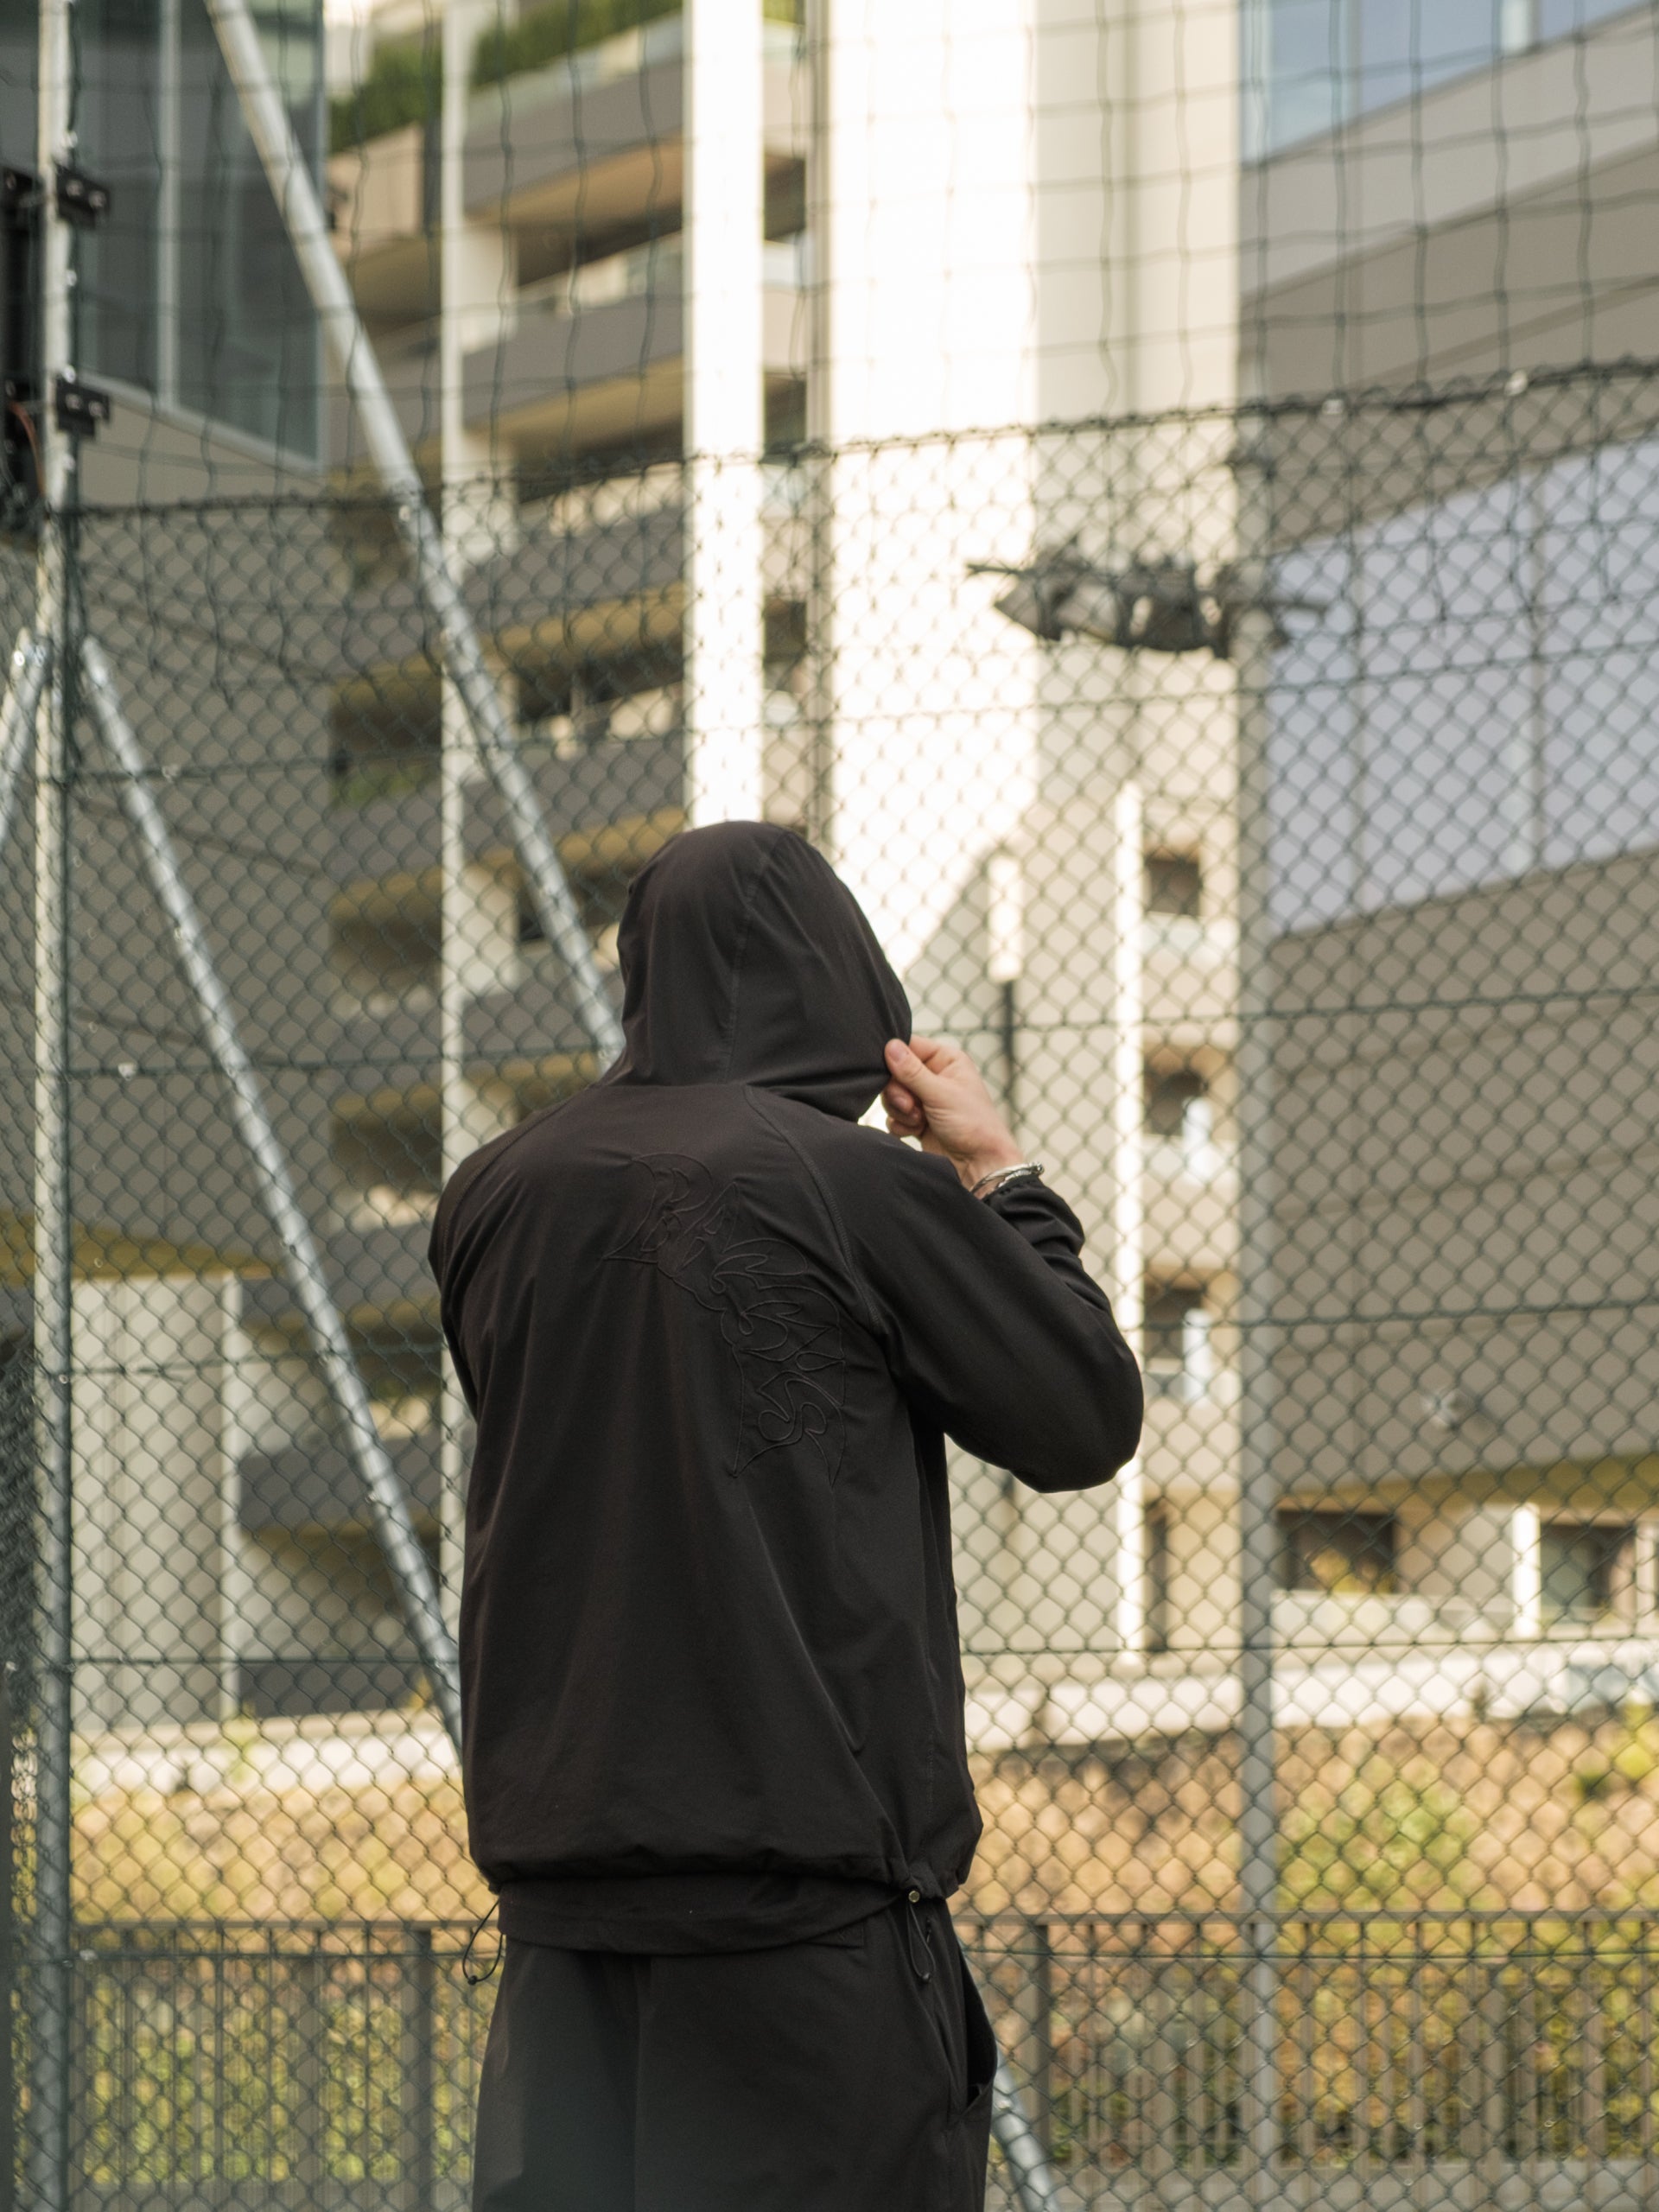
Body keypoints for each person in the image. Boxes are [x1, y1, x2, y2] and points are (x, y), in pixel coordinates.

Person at [429, 820, 1141, 2212]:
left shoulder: (493, 1198)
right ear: (850, 985)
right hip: (802, 1934)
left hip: (563, 1934)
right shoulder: (854, 1185)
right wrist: (999, 1177)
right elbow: (1081, 1416)